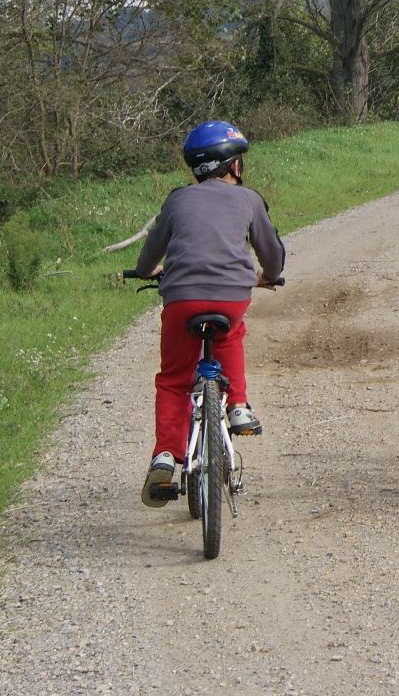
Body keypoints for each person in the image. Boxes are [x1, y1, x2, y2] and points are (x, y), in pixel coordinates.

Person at [129, 120, 286, 507]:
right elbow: (271, 252)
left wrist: (149, 270)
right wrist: (268, 275)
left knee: (173, 380)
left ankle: (166, 456)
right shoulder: (249, 199)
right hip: (231, 296)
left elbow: (150, 252)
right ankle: (237, 406)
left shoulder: (177, 200)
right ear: (232, 164)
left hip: (181, 298)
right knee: (230, 333)